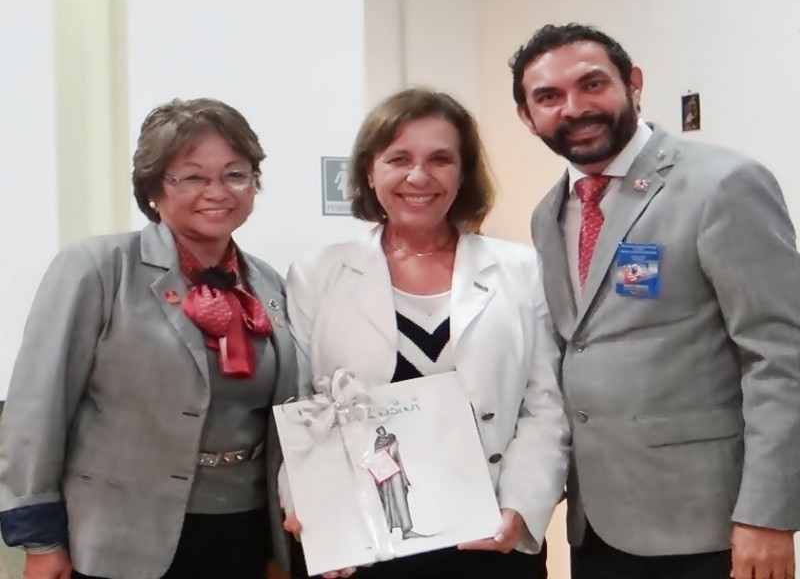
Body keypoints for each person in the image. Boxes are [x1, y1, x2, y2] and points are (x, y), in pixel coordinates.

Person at [510, 23, 800, 579]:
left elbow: (781, 356)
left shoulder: (722, 184)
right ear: (527, 116)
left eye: (592, 84)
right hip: (597, 523)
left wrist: (768, 515)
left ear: (633, 83)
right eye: (548, 96)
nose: (574, 108)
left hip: (710, 525)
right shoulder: (548, 213)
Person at [0, 98, 298, 579]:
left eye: (235, 175)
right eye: (193, 177)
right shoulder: (99, 268)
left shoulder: (268, 283)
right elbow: (38, 408)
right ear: (154, 186)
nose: (217, 191)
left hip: (244, 532)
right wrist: (40, 539)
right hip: (119, 538)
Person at [285, 88, 569, 579]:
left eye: (440, 159)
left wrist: (522, 506)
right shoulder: (317, 275)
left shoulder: (521, 270)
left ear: (463, 173)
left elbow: (545, 406)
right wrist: (313, 509)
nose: (419, 176)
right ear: (369, 171)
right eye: (399, 159)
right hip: (363, 541)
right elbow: (300, 407)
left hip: (489, 537)